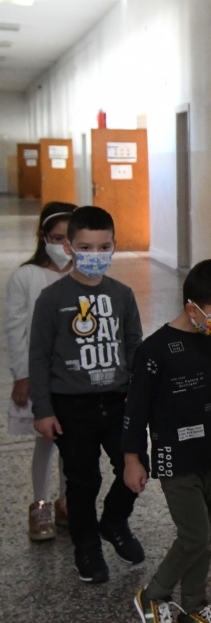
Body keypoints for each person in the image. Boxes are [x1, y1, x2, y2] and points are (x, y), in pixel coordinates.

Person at [123, 259, 211, 623]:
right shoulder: (155, 351)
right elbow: (135, 410)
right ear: (192, 307)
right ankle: (153, 594)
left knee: (205, 537)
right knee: (194, 536)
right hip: (175, 460)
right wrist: (133, 457)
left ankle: (193, 605)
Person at [30, 205, 146, 583]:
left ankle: (113, 521)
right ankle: (86, 546)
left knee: (137, 465)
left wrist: (138, 396)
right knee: (82, 481)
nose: (94, 255)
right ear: (70, 249)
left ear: (113, 246)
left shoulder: (123, 295)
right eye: (85, 247)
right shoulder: (52, 298)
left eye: (103, 247)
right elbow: (39, 356)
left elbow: (134, 347)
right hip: (72, 405)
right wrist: (43, 409)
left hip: (117, 401)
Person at [4, 201, 76, 541]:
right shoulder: (25, 276)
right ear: (43, 237)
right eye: (55, 237)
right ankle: (40, 504)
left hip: (75, 376)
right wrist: (22, 375)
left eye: (69, 238)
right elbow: (15, 329)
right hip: (41, 375)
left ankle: (67, 502)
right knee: (45, 442)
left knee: (72, 444)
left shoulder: (85, 276)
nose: (62, 246)